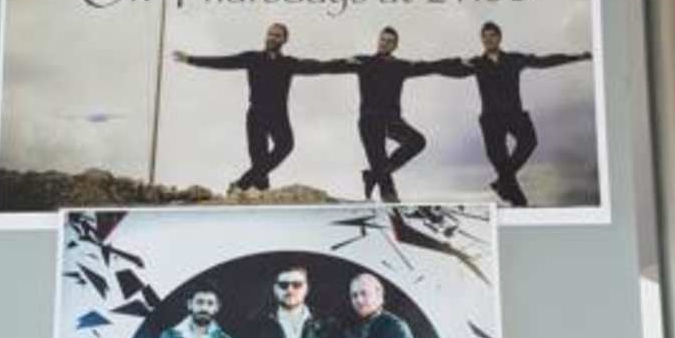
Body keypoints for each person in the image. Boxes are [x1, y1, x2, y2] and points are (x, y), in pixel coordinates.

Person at [172, 22, 348, 192]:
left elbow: (319, 66)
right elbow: (224, 62)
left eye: (277, 35)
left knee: (285, 145)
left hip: (278, 115)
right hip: (256, 114)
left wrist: (344, 63)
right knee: (259, 162)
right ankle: (258, 190)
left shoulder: (288, 63)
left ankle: (241, 184)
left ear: (284, 40)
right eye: (270, 34)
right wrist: (190, 59)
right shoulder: (252, 58)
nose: (272, 38)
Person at [461, 21, 591, 207]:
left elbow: (543, 61)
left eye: (492, 35)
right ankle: (517, 199)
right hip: (491, 120)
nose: (488, 40)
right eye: (485, 36)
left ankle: (503, 183)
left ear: (499, 37)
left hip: (514, 115)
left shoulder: (514, 59)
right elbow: (449, 68)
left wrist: (576, 57)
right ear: (481, 39)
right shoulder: (476, 63)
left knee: (529, 141)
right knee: (501, 163)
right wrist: (456, 63)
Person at [347, 26, 464, 201]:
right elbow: (330, 66)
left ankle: (373, 176)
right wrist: (340, 62)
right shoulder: (363, 62)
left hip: (391, 120)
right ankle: (389, 198)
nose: (384, 43)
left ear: (395, 46)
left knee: (417, 141)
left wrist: (457, 62)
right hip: (370, 121)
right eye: (382, 39)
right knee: (381, 166)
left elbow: (430, 66)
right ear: (378, 41)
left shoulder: (400, 66)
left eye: (389, 41)